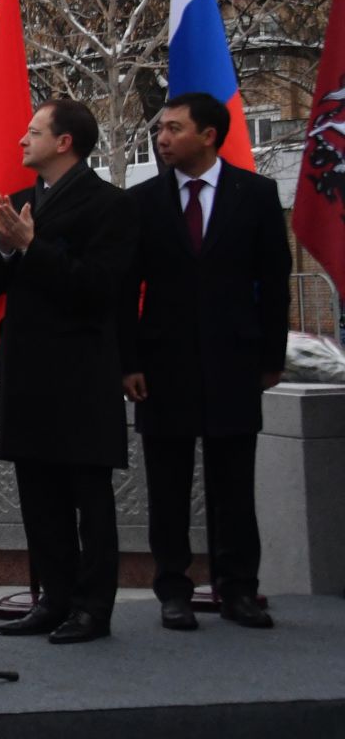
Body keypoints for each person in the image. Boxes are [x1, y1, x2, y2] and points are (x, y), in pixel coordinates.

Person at [122, 92, 291, 630]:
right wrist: (127, 360)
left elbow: (276, 282)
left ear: (210, 135)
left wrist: (271, 356)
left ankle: (238, 588)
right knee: (167, 484)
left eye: (174, 129)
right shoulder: (142, 201)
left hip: (234, 359)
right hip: (162, 362)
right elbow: (126, 288)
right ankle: (173, 588)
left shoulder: (256, 195)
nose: (162, 139)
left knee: (233, 484)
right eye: (159, 130)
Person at [0, 98, 136, 644]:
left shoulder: (109, 205)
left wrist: (32, 247)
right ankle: (52, 598)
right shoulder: (19, 201)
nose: (21, 140)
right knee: (38, 495)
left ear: (65, 142)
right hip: (27, 374)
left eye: (33, 131)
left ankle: (93, 609)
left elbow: (99, 288)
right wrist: (5, 248)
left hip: (81, 374)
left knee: (88, 498)